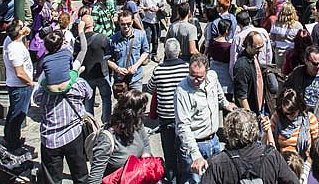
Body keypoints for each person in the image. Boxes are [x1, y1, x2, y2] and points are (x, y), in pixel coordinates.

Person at [175, 54, 236, 184]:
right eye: (192, 75)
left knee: (217, 178)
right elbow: (183, 126)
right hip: (194, 145)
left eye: (199, 77)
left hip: (214, 141)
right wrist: (196, 155)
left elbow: (218, 90)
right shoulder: (182, 91)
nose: (195, 80)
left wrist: (225, 103)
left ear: (207, 72)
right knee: (194, 181)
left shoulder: (212, 77)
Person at [200, 109, 298, 184]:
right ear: (255, 129)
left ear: (228, 132)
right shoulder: (272, 156)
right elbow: (293, 182)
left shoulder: (217, 163)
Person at [146, 38, 189, 183]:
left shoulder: (158, 69)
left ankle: (173, 179)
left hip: (165, 118)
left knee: (169, 153)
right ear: (179, 52)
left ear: (165, 52)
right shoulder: (186, 68)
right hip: (183, 117)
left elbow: (151, 89)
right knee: (184, 151)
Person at [87, 89, 151, 184]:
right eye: (142, 111)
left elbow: (145, 144)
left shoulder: (137, 124)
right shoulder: (107, 140)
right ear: (132, 115)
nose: (143, 114)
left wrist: (145, 159)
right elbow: (94, 179)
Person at [3, 19, 34, 152]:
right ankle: (13, 143)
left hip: (18, 85)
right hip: (20, 86)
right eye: (22, 27)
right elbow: (20, 72)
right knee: (18, 116)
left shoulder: (14, 41)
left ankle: (9, 136)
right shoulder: (14, 48)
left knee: (13, 112)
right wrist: (31, 83)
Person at [269, 88, 319, 158]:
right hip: (281, 160)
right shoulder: (277, 117)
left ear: (299, 108)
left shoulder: (309, 119)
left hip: (303, 161)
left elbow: (316, 144)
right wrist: (267, 130)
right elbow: (269, 143)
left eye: (292, 113)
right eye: (285, 113)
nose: (288, 116)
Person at [78, 14, 111, 122]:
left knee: (88, 102)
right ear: (93, 24)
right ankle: (106, 122)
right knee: (106, 99)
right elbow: (109, 54)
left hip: (86, 76)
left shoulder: (78, 41)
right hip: (102, 73)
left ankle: (90, 124)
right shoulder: (102, 38)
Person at [107, 10, 150, 92]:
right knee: (122, 104)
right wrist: (117, 69)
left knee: (137, 103)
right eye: (122, 24)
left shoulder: (141, 35)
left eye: (128, 23)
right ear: (119, 23)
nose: (126, 26)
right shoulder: (112, 39)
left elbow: (146, 52)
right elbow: (107, 59)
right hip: (120, 80)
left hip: (136, 78)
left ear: (133, 22)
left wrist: (136, 66)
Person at [282, 45, 319, 112]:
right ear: (306, 61)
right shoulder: (297, 72)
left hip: (318, 113)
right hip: (301, 113)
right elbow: (286, 88)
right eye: (315, 64)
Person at [233, 31, 268, 114]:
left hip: (260, 106)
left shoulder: (254, 57)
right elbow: (241, 96)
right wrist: (250, 116)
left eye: (262, 46)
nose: (260, 50)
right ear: (248, 45)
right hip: (251, 110)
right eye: (257, 48)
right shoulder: (242, 66)